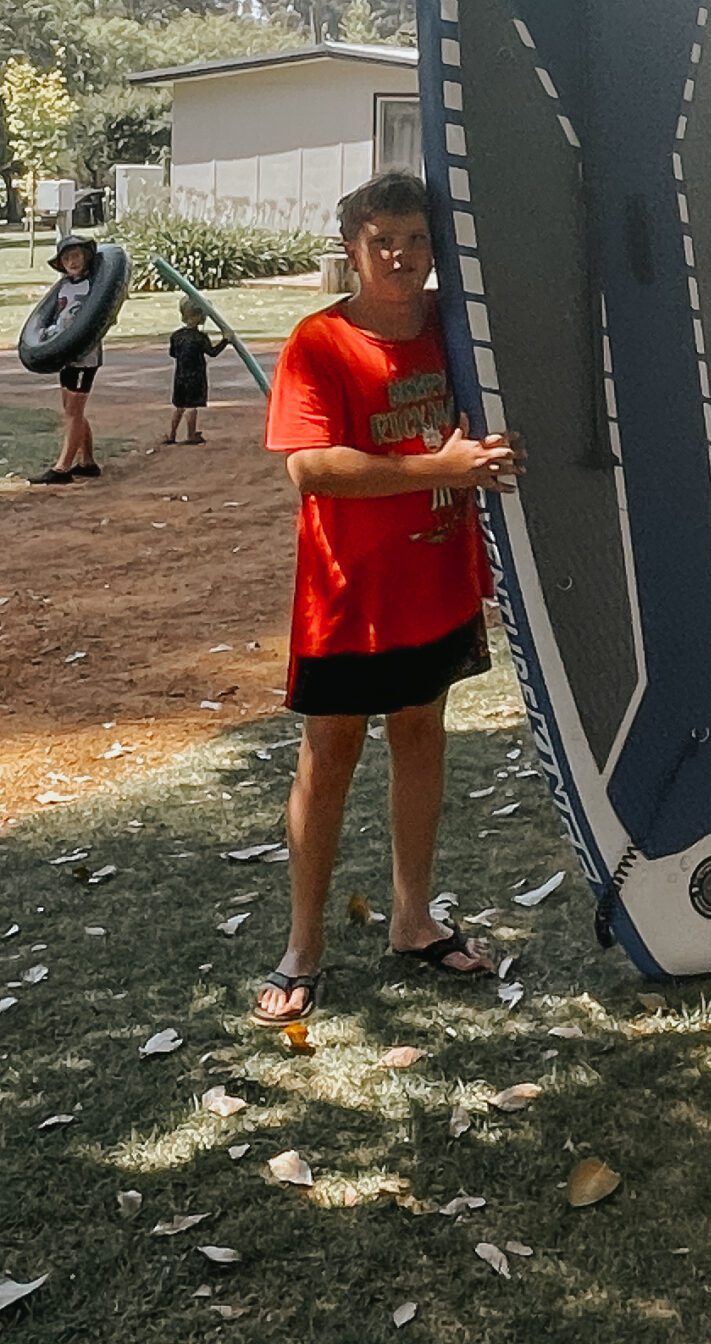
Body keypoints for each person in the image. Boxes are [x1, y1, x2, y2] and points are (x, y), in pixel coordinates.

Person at [253, 171, 519, 1026]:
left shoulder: (458, 328)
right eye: (382, 242)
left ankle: (412, 919)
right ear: (353, 250)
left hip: (436, 582)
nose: (399, 255)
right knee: (329, 755)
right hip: (347, 595)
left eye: (413, 238)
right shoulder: (320, 343)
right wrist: (437, 469)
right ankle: (303, 946)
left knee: (420, 731)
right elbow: (311, 466)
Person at [31, 234, 106, 485]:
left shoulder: (93, 286)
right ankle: (87, 462)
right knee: (72, 410)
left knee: (73, 412)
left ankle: (62, 468)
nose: (72, 261)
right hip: (65, 356)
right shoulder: (63, 287)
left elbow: (98, 315)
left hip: (85, 357)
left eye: (76, 256)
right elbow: (58, 318)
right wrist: (49, 335)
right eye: (66, 258)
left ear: (85, 258)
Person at [166, 298, 227, 444]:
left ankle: (172, 434)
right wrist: (226, 340)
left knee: (179, 406)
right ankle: (191, 434)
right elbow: (213, 352)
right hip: (196, 376)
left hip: (180, 375)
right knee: (192, 406)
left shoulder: (176, 336)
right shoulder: (200, 337)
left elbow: (172, 353)